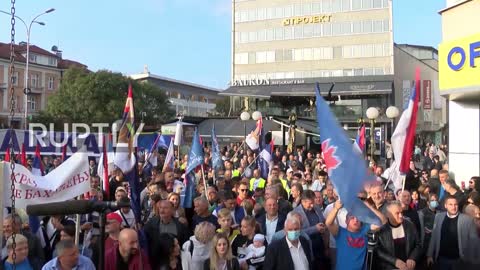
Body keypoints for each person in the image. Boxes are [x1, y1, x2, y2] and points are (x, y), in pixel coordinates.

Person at [325, 200, 384, 270]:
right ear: (346, 221)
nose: (356, 220)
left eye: (358, 218)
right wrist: (336, 209)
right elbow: (328, 223)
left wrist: (370, 207)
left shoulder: (364, 230)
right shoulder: (340, 232)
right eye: (352, 218)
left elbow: (382, 221)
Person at [427, 195, 480, 269]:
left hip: (459, 260)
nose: (453, 207)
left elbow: (474, 241)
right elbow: (434, 236)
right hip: (442, 259)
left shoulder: (467, 220)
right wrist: (430, 254)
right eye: (450, 204)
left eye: (455, 204)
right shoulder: (438, 217)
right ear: (445, 206)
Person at [375, 201, 421, 270]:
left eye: (401, 212)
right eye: (397, 213)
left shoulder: (410, 225)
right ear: (388, 214)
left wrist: (412, 258)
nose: (401, 216)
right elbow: (378, 250)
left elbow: (418, 245)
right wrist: (395, 261)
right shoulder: (382, 229)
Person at [144, 200, 190, 269]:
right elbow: (145, 238)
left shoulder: (180, 225)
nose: (162, 210)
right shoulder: (152, 223)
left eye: (165, 208)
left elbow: (185, 243)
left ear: (172, 210)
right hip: (157, 261)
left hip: (175, 262)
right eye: (160, 208)